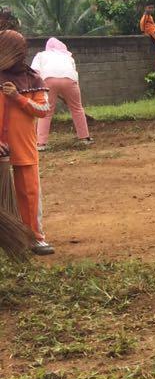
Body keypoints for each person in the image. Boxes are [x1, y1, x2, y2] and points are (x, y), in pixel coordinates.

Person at [0, 29, 53, 254]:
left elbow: (43, 109)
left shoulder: (33, 78)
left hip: (24, 146)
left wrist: (17, 98)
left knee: (29, 193)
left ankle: (34, 237)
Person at [31, 38, 92, 150]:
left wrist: (39, 88)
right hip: (70, 81)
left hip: (48, 81)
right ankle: (85, 138)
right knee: (77, 108)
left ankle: (41, 143)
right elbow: (74, 73)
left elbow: (34, 72)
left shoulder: (41, 55)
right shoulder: (68, 56)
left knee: (46, 112)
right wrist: (73, 90)